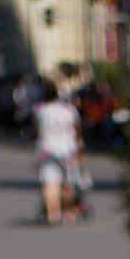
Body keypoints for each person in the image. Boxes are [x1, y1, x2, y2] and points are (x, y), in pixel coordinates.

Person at [33, 78, 81, 226]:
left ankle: (53, 213)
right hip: (67, 148)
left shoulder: (40, 110)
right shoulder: (69, 110)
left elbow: (37, 128)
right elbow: (77, 127)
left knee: (50, 182)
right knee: (67, 183)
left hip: (47, 149)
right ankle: (67, 211)